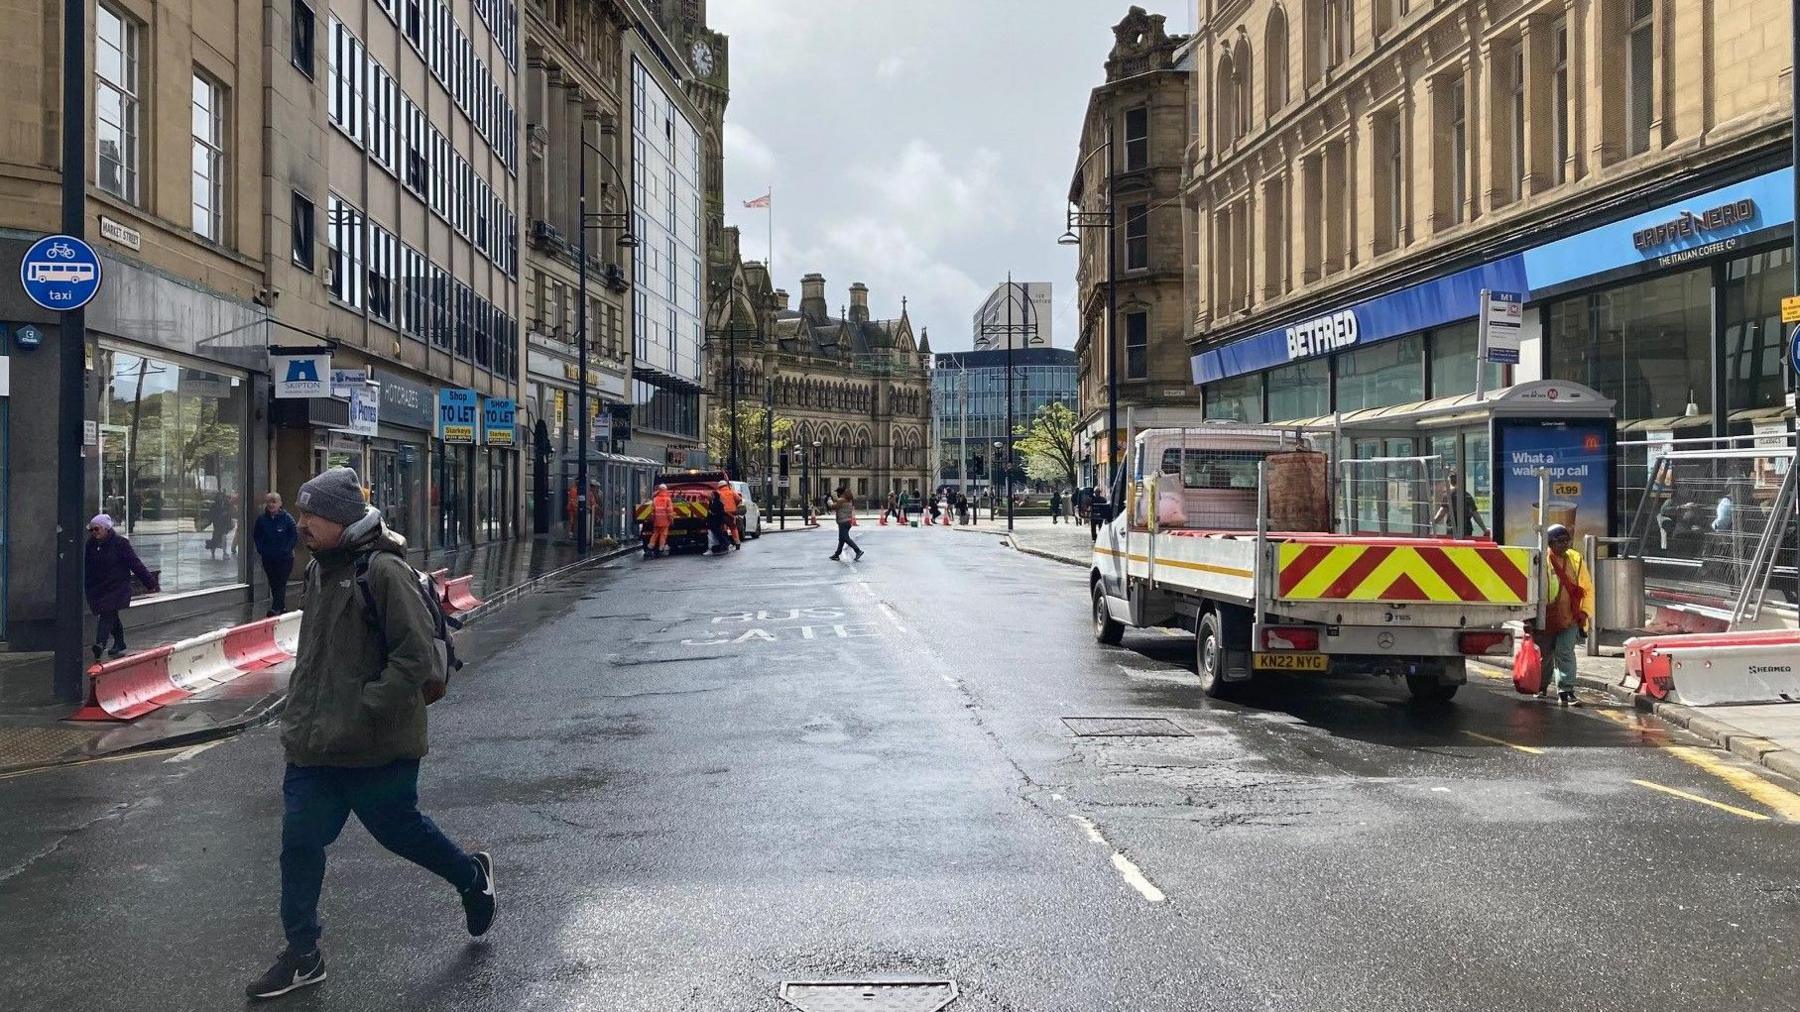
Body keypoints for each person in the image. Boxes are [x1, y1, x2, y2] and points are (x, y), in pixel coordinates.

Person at [245, 467, 493, 1000]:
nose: (301, 521)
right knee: (299, 843)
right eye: (301, 511)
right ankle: (303, 954)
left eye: (311, 514)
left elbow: (417, 657)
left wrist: (364, 708)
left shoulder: (383, 572)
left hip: (376, 743)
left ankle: (472, 878)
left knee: (400, 833)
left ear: (341, 520)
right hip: (315, 745)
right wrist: (301, 715)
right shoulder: (317, 569)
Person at [1534, 523, 1595, 707]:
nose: (1565, 544)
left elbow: (1587, 589)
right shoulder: (1541, 560)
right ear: (1550, 543)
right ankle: (1541, 687)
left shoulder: (1576, 560)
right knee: (1546, 655)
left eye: (1567, 540)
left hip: (1570, 617)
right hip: (1546, 618)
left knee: (1565, 653)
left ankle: (1566, 691)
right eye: (1560, 541)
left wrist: (1585, 612)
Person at [84, 514, 158, 660]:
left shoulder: (120, 543)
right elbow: (87, 566)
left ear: (106, 529)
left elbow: (135, 564)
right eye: (91, 530)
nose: (94, 532)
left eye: (96, 529)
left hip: (116, 587)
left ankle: (100, 644)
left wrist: (150, 583)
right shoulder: (91, 544)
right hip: (99, 587)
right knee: (111, 615)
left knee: (107, 614)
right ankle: (119, 642)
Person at [253, 493, 300, 616]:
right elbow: (257, 535)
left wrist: (287, 549)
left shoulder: (287, 519)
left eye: (274, 502)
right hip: (268, 557)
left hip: (285, 558)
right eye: (268, 502)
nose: (271, 505)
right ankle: (281, 606)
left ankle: (275, 608)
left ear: (280, 504)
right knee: (273, 582)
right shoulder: (262, 519)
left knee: (281, 581)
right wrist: (261, 549)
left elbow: (294, 536)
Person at [1430, 472, 1490, 539]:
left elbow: (1442, 513)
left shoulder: (1448, 495)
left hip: (1453, 529)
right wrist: (1484, 529)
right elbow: (1475, 514)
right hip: (1466, 528)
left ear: (1449, 481)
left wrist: (1432, 522)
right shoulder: (1467, 495)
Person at [828, 485, 863, 561]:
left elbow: (833, 506)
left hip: (843, 522)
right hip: (847, 521)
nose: (836, 494)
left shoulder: (841, 500)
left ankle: (858, 551)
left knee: (846, 538)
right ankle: (837, 554)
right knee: (841, 539)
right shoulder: (848, 499)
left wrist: (829, 501)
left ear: (839, 493)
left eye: (837, 492)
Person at [645, 484, 674, 558]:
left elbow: (652, 511)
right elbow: (670, 511)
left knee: (655, 534)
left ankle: (650, 547)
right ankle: (661, 549)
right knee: (663, 535)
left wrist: (653, 519)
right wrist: (671, 520)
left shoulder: (655, 499)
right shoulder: (667, 499)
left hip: (657, 520)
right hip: (665, 521)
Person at [205, 493, 236, 560]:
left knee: (223, 537)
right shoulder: (214, 505)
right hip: (217, 524)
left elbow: (230, 513)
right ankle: (215, 553)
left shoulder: (226, 504)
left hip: (223, 524)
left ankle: (224, 553)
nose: (222, 499)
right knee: (216, 539)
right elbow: (212, 515)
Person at [717, 481, 743, 550]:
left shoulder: (718, 493)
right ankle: (737, 543)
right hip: (732, 513)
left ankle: (727, 543)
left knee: (723, 528)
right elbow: (739, 499)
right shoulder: (731, 492)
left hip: (723, 513)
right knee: (733, 528)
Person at [705, 487, 730, 555]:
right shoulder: (711, 502)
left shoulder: (718, 503)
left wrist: (722, 523)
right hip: (712, 523)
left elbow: (720, 513)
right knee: (714, 536)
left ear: (714, 496)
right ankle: (715, 548)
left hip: (717, 522)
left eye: (711, 495)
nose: (709, 496)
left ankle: (725, 545)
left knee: (719, 535)